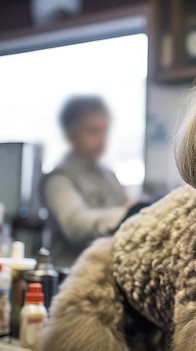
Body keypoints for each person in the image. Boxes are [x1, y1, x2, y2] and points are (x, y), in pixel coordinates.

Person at [42, 96, 131, 267]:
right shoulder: (59, 179)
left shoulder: (109, 175)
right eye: (93, 131)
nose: (101, 140)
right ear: (70, 135)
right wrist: (128, 212)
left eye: (104, 131)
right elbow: (76, 225)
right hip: (72, 278)